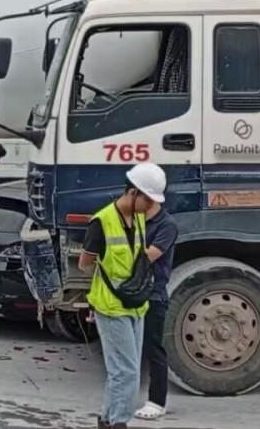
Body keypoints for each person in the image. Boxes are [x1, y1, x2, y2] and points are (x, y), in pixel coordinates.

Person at [78, 163, 165, 429]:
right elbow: (85, 263)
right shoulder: (101, 222)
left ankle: (106, 419)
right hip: (112, 306)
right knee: (127, 373)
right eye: (148, 200)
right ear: (132, 193)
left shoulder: (138, 218)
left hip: (136, 304)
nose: (150, 206)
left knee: (122, 371)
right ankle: (119, 422)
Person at [134, 184, 179, 422]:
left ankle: (157, 402)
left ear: (148, 198)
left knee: (154, 349)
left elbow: (149, 255)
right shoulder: (138, 220)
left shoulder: (166, 225)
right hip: (134, 293)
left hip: (153, 294)